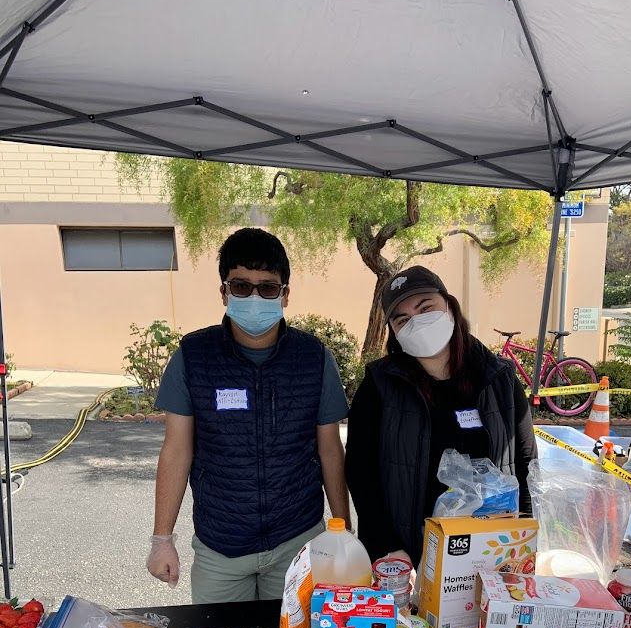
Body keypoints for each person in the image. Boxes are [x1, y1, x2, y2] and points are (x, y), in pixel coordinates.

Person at [147, 227, 351, 602]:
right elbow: (176, 451)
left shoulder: (314, 358)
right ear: (224, 292)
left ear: (285, 295)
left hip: (298, 541)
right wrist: (162, 539)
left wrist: (344, 531)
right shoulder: (193, 356)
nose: (254, 297)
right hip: (220, 546)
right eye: (241, 286)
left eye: (268, 287)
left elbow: (329, 450)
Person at [345, 265, 537, 568]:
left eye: (425, 308)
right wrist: (387, 546)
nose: (417, 323)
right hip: (406, 553)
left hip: (491, 551)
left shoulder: (498, 378)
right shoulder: (380, 384)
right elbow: (360, 470)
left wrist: (525, 539)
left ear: (449, 306)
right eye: (402, 319)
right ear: (394, 332)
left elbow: (525, 462)